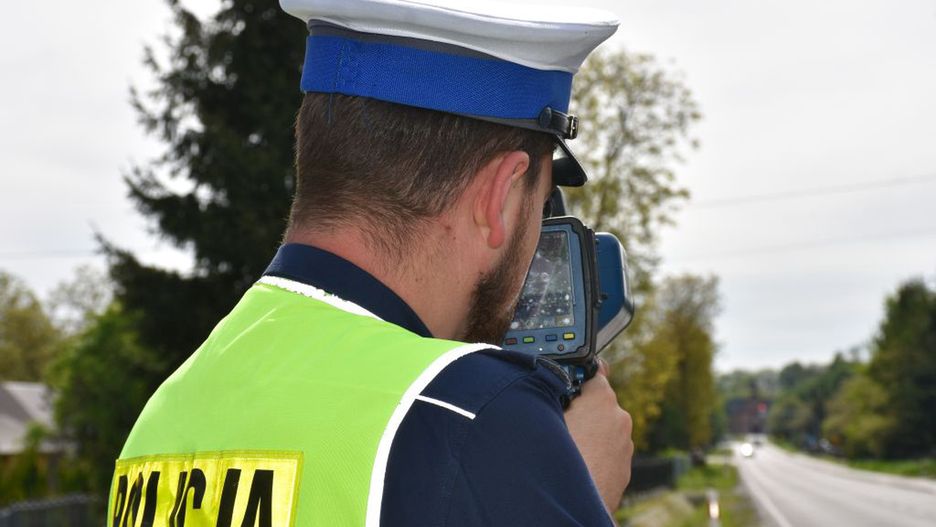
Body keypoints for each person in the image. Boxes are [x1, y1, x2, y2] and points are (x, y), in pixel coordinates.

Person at [107, 1, 634, 525]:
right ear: (499, 195)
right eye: (539, 206)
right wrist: (575, 491)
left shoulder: (161, 420)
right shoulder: (471, 413)